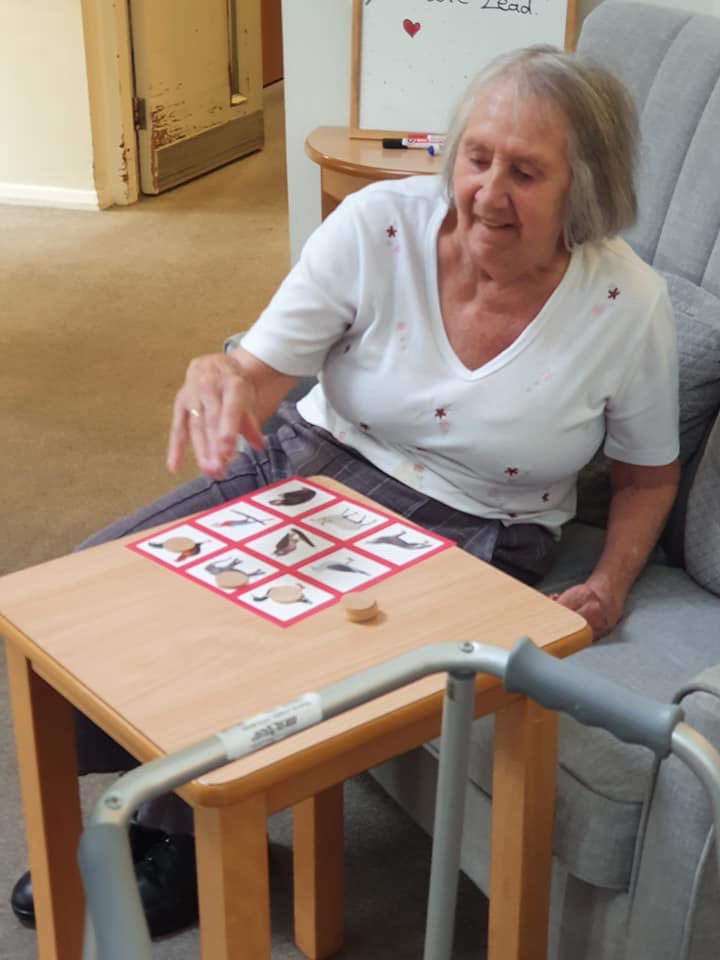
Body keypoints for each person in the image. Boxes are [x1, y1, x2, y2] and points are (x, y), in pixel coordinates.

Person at [11, 44, 680, 938]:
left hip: (475, 526)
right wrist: (223, 376)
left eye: (525, 172)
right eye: (476, 156)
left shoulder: (625, 304)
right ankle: (156, 811)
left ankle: (178, 839)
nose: (487, 191)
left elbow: (648, 476)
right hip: (309, 456)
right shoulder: (380, 224)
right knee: (95, 596)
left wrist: (615, 578)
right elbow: (255, 372)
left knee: (239, 650)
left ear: (583, 191)